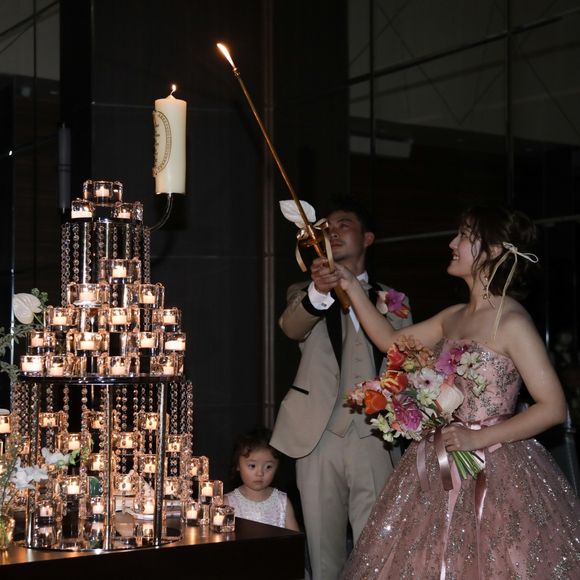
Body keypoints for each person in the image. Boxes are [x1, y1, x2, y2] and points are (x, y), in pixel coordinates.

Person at [312, 205, 580, 578]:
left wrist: (480, 437)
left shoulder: (511, 320)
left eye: (464, 236)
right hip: (440, 457)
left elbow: (552, 407)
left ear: (493, 251)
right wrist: (350, 285)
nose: (452, 243)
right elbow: (390, 342)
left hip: (496, 462)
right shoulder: (453, 315)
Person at [270, 197, 412, 580]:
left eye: (343, 224)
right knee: (323, 551)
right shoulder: (305, 291)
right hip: (317, 434)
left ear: (368, 238)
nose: (332, 232)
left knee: (377, 550)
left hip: (375, 435)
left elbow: (407, 358)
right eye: (327, 228)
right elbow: (291, 327)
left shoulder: (394, 299)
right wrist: (319, 292)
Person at [224, 428, 300, 531]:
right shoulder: (228, 504)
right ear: (238, 464)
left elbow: (295, 539)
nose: (260, 473)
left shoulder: (282, 503)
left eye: (268, 467)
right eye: (252, 466)